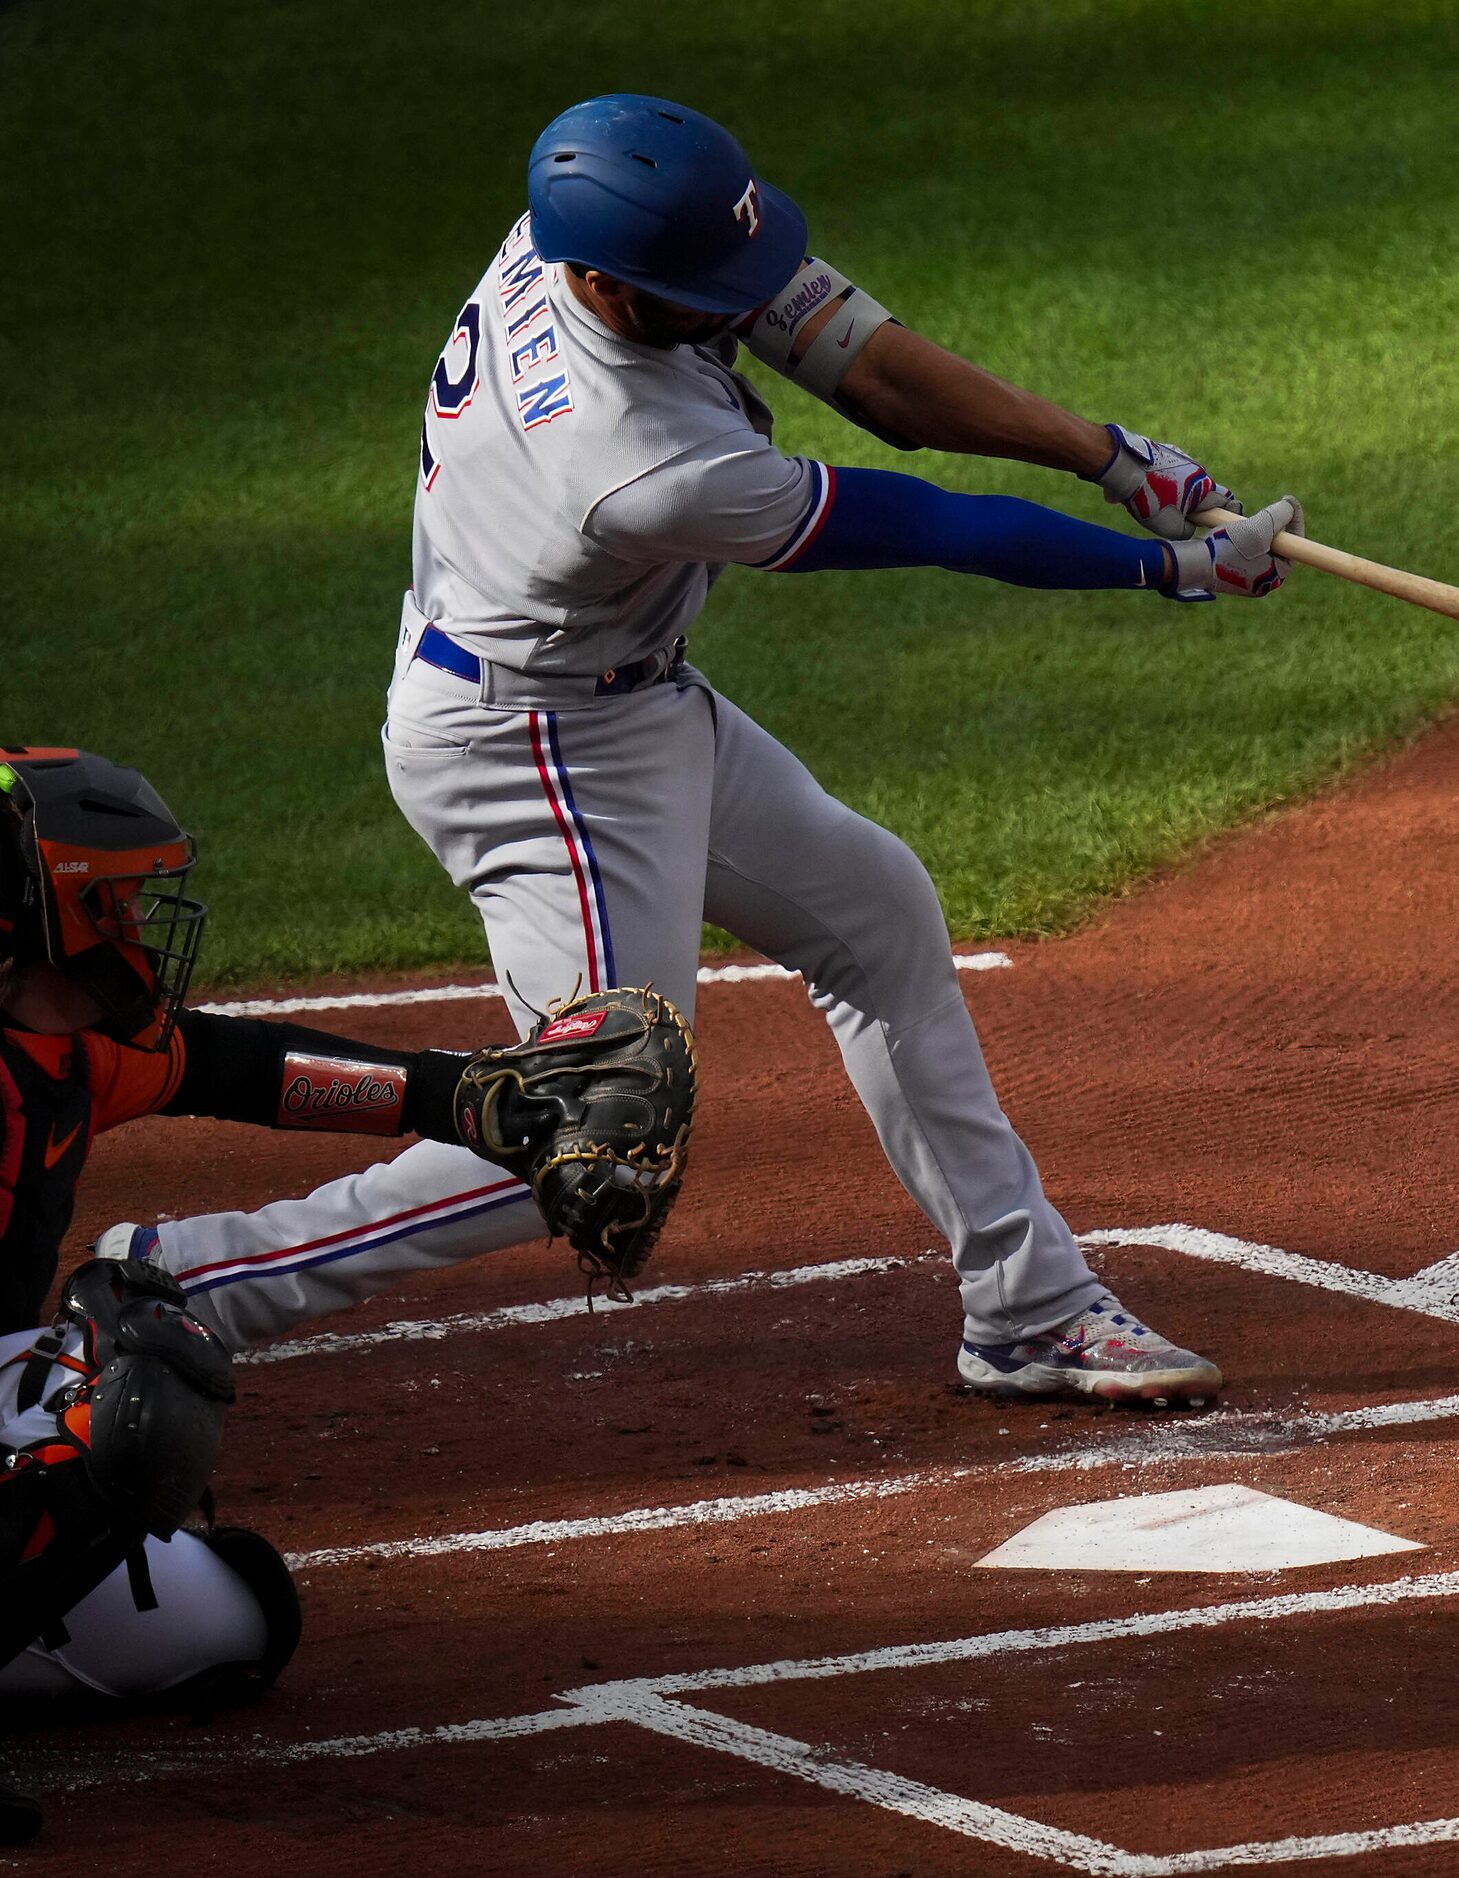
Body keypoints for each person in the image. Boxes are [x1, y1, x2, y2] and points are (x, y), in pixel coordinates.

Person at [115, 94, 1284, 1405]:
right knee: (595, 1131)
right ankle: (192, 1281)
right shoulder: (636, 460)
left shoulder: (588, 233)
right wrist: (1160, 563)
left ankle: (1029, 1306)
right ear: (610, 282)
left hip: (625, 701)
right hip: (536, 750)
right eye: (704, 287)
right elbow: (926, 522)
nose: (741, 296)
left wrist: (1111, 454)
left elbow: (871, 368)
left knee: (874, 913)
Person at [0, 747, 632, 1842]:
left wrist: (466, 1099)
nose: (141, 930)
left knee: (242, 1615)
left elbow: (242, 1069)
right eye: (113, 903)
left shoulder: (61, 1053)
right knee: (123, 1395)